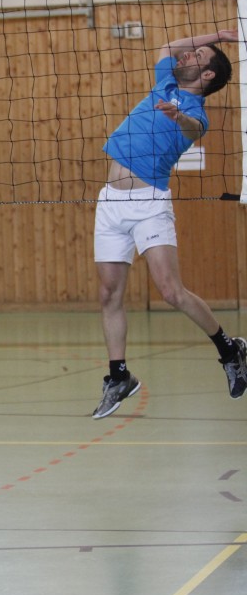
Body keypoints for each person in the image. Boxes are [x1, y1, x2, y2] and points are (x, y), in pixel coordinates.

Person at [92, 28, 246, 418]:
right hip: (110, 202)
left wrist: (179, 116)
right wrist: (219, 36)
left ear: (207, 75)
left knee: (171, 292)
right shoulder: (165, 80)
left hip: (149, 204)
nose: (187, 55)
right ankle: (119, 376)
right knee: (109, 294)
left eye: (198, 56)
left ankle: (229, 350)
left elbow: (193, 130)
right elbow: (168, 46)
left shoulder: (196, 114)